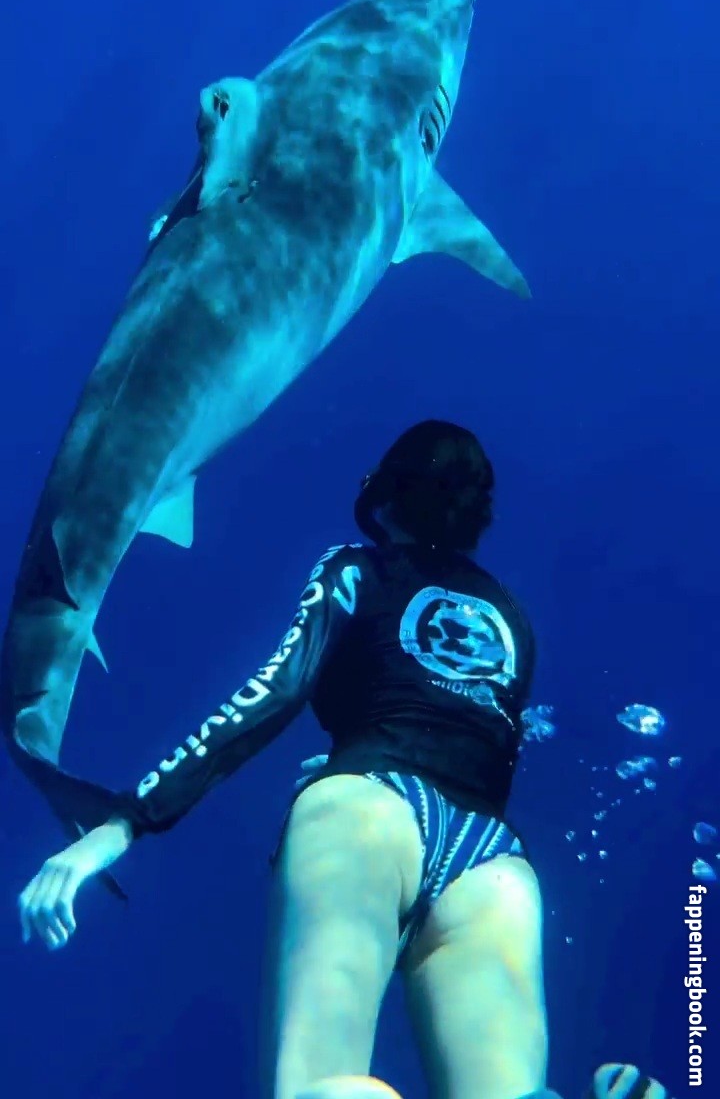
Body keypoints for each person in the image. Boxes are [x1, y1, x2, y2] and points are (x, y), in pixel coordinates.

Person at [18, 421, 673, 1099]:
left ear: (387, 498)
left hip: (363, 817)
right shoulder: (512, 618)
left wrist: (121, 823)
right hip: (494, 866)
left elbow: (271, 693)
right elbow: (469, 742)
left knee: (321, 1086)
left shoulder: (357, 567)